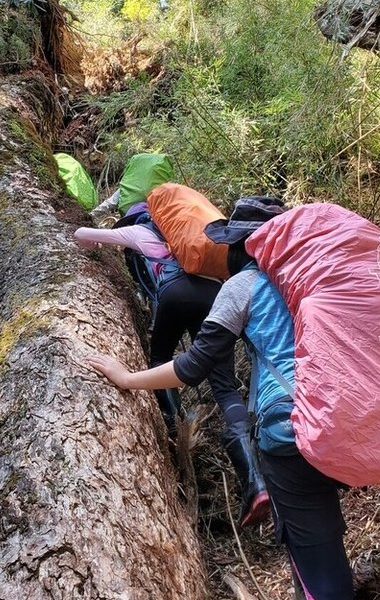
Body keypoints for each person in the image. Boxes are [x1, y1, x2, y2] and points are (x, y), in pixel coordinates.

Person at [85, 196, 380, 600]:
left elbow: (194, 366)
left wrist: (127, 378)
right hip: (342, 421)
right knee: (313, 524)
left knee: (326, 572)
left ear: (240, 245)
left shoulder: (242, 287)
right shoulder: (313, 277)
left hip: (288, 432)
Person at [75, 203, 270, 527]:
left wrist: (93, 241)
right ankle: (255, 481)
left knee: (160, 356)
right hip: (214, 295)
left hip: (175, 293)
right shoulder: (194, 244)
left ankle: (172, 423)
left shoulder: (142, 231)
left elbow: (83, 233)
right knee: (224, 386)